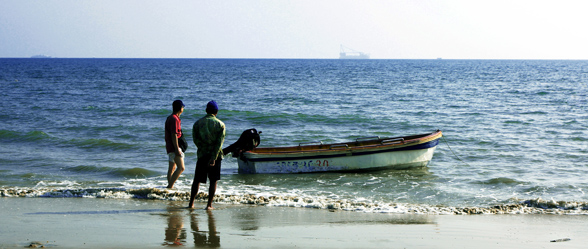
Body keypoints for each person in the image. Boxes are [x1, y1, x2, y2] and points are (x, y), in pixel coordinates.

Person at [189, 100, 225, 210]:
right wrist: (213, 157)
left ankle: (191, 203)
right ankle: (209, 205)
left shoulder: (197, 123)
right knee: (213, 181)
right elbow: (219, 143)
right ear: (216, 112)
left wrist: (203, 149)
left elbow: (196, 140)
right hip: (215, 156)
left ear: (206, 110)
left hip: (202, 155)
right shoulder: (220, 124)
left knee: (197, 180)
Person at [165, 100, 186, 189]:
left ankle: (170, 188)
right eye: (183, 107)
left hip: (170, 147)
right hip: (174, 147)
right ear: (180, 108)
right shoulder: (174, 119)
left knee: (172, 168)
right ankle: (170, 186)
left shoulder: (170, 117)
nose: (183, 109)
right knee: (181, 168)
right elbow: (174, 134)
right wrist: (177, 148)